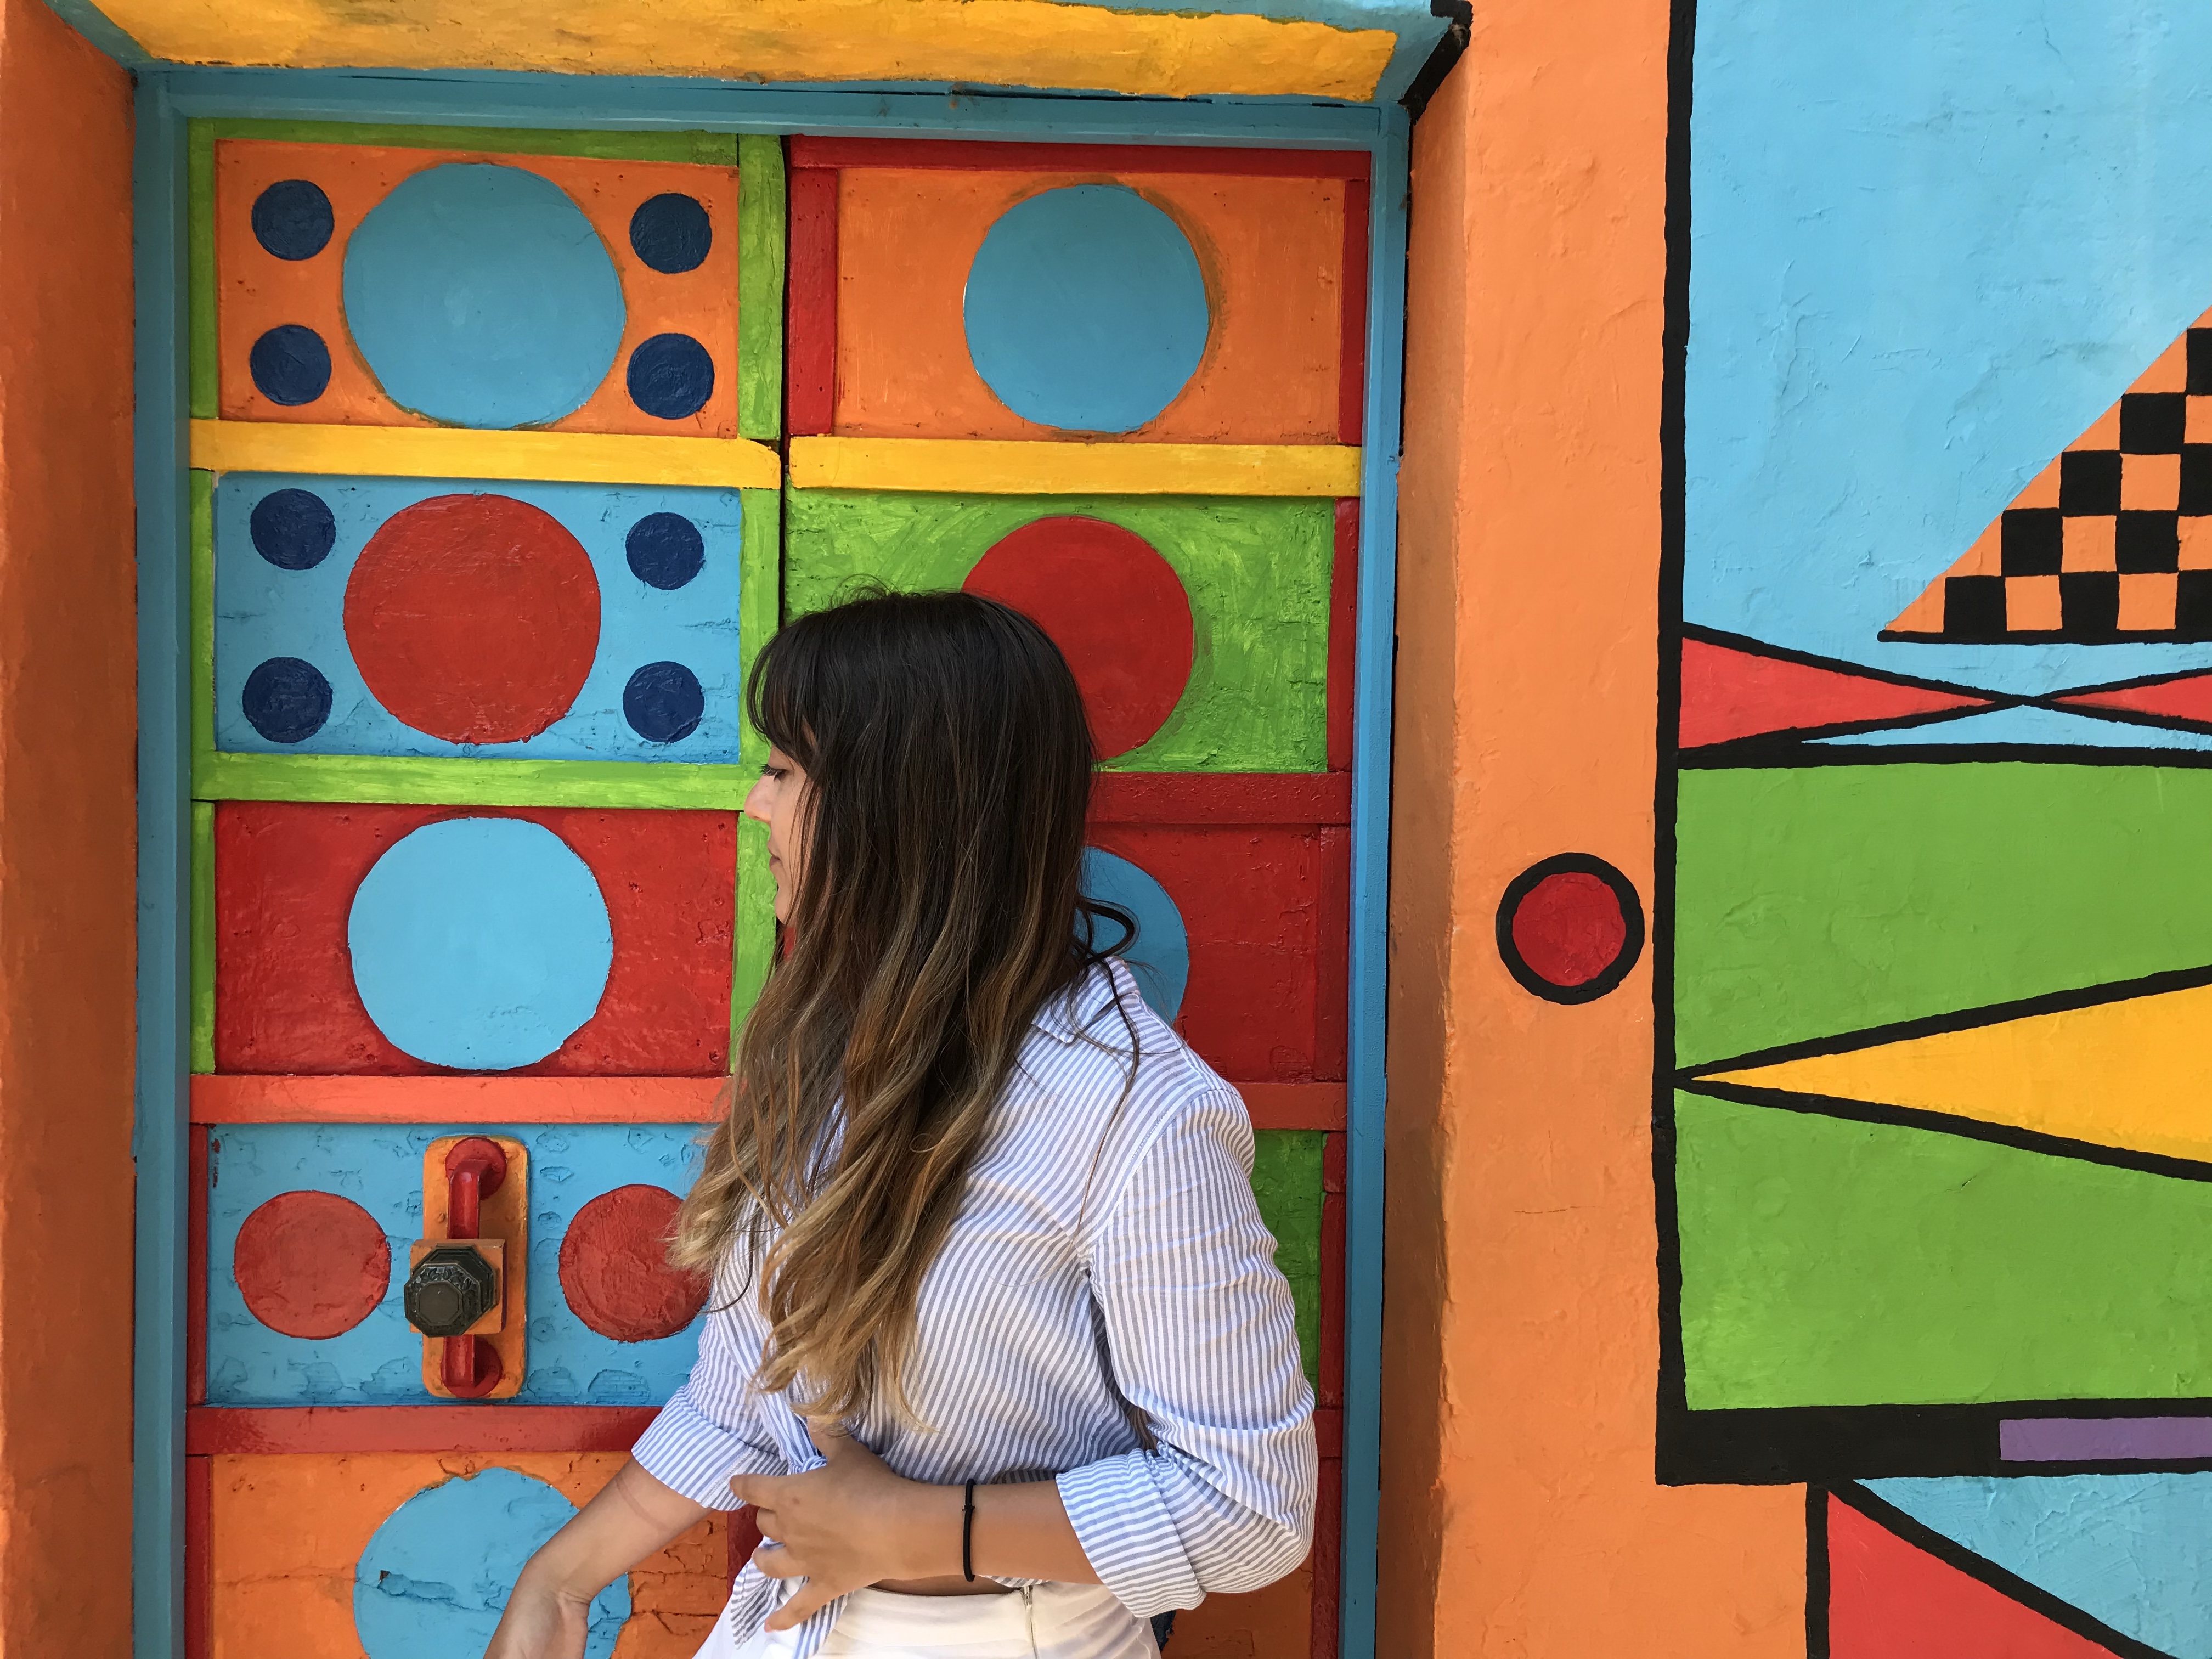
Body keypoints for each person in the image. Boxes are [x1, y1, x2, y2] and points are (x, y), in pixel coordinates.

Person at [484, 589, 1316, 1659]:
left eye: (786, 771)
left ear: (897, 807)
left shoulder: (1137, 1115)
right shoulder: (824, 1050)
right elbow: (745, 1391)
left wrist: (920, 1528)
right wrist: (559, 1581)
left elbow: (1250, 1506)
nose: (756, 805)